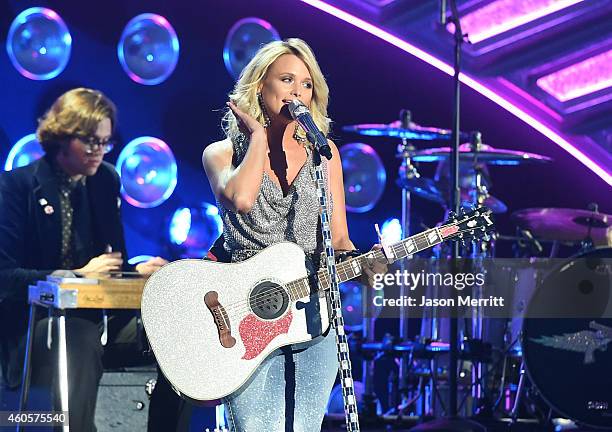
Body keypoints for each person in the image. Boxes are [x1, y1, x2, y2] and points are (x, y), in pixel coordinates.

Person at [202, 38, 386, 432]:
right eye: (287, 80)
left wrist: (365, 264)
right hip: (245, 314)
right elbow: (243, 199)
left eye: (306, 85)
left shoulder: (325, 156)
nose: (298, 92)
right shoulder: (219, 154)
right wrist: (255, 139)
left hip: (312, 314)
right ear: (259, 87)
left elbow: (339, 240)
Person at [0, 87, 167, 431]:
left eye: (105, 142)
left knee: (171, 329)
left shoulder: (105, 180)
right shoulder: (16, 186)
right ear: (62, 136)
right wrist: (74, 274)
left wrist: (136, 269)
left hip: (99, 317)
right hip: (36, 324)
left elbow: (109, 262)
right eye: (90, 141)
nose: (98, 152)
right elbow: (5, 277)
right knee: (76, 332)